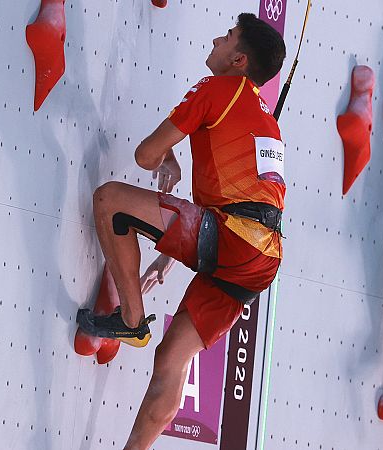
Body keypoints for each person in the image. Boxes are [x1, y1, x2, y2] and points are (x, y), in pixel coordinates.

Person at [75, 13, 286, 449]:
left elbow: (145, 155)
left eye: (228, 37)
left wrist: (165, 154)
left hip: (232, 238)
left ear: (239, 60)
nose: (216, 39)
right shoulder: (265, 118)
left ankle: (131, 319)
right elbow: (244, 200)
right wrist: (170, 253)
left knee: (109, 200)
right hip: (262, 260)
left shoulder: (217, 88)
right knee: (171, 358)